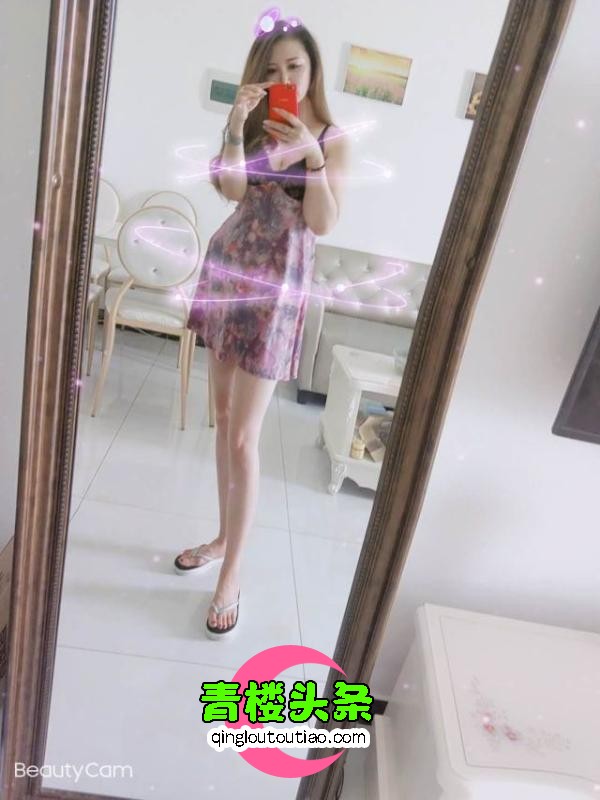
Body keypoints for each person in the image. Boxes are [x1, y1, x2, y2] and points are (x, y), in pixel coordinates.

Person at [173, 13, 349, 639]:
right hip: (229, 272)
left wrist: (312, 157)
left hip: (277, 292)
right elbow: (231, 190)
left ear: (313, 68)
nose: (284, 79)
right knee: (224, 421)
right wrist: (232, 126)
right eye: (272, 70)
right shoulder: (252, 124)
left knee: (246, 437)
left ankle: (232, 574)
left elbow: (322, 223)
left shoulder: (332, 137)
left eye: (294, 66)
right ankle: (223, 537)